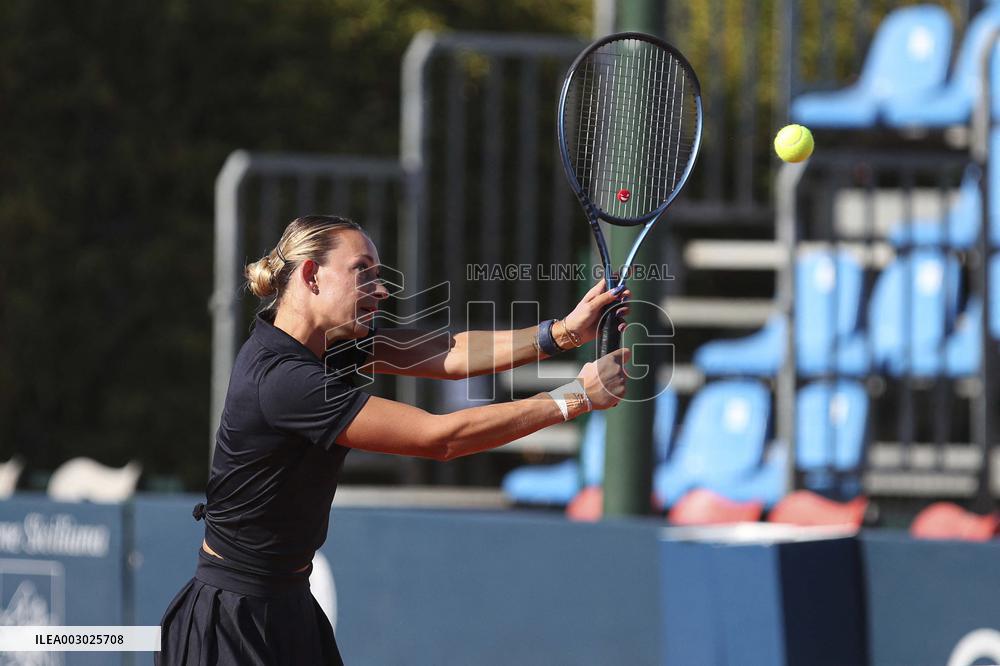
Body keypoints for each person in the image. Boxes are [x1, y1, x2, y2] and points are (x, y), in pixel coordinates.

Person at [157, 215, 631, 665]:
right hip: (232, 624)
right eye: (362, 272)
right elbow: (440, 437)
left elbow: (447, 351)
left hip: (288, 608)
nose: (380, 290)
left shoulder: (331, 345)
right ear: (310, 275)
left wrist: (564, 334)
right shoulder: (285, 380)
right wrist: (575, 397)